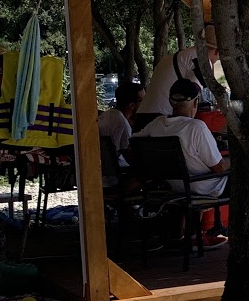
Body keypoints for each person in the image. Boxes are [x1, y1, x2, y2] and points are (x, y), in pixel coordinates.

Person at [136, 78, 230, 245]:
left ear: (171, 101)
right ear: (195, 102)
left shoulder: (157, 124)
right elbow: (218, 167)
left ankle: (189, 234)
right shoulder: (196, 127)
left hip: (172, 184)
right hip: (199, 186)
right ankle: (225, 233)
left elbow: (133, 143)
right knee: (242, 170)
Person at [138, 28, 219, 119]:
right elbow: (191, 97)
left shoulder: (178, 56)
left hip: (143, 115)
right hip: (162, 119)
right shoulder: (202, 60)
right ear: (217, 51)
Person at [98, 82, 142, 186]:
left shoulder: (108, 115)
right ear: (132, 105)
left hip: (101, 170)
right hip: (114, 178)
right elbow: (128, 156)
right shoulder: (122, 125)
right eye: (142, 101)